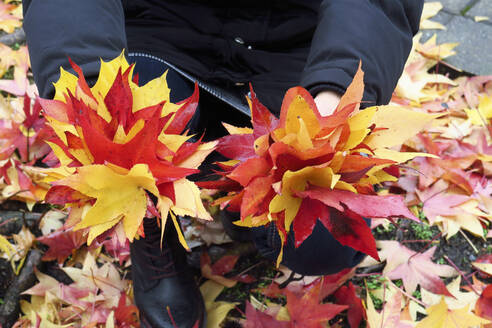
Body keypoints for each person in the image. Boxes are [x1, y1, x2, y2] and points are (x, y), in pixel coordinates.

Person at [23, 1, 423, 327]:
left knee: (323, 238)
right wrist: (93, 88)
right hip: (157, 30)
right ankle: (153, 225)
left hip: (298, 48)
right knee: (124, 134)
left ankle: (240, 200)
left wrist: (336, 90)